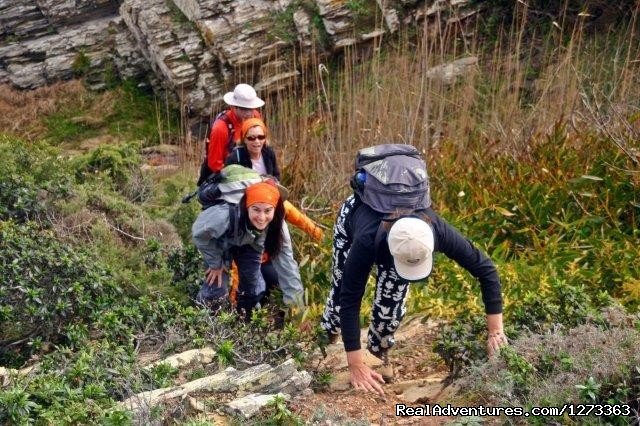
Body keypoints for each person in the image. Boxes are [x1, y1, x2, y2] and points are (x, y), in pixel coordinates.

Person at [320, 169, 508, 397]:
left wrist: (495, 332)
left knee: (393, 300)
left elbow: (486, 270)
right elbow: (350, 299)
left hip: (394, 238)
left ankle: (378, 352)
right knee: (341, 285)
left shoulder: (437, 230)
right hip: (354, 220)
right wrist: (355, 365)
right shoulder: (366, 240)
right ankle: (328, 335)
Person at [192, 181, 285, 316]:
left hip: (245, 242)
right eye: (256, 210)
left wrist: (254, 268)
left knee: (253, 288)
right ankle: (206, 323)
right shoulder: (223, 217)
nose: (262, 217)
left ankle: (244, 319)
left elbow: (258, 242)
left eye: (267, 211)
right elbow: (199, 234)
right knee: (216, 288)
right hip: (217, 243)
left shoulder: (270, 221)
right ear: (247, 207)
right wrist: (215, 264)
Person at [198, 84, 264, 185]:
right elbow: (215, 164)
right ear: (234, 107)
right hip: (226, 175)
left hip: (250, 170)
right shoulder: (220, 128)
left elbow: (262, 146)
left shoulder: (255, 116)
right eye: (244, 109)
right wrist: (238, 178)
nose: (249, 113)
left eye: (251, 108)